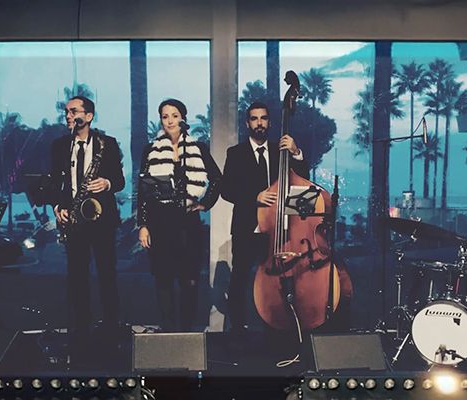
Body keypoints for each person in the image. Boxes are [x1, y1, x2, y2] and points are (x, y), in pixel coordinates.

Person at [220, 102, 309, 338]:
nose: (259, 123)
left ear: (269, 122)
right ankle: (238, 329)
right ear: (247, 123)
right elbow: (226, 190)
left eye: (263, 118)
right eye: (254, 118)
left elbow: (302, 179)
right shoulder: (235, 153)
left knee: (277, 280)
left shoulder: (281, 151)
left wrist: (296, 152)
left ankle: (276, 328)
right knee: (240, 278)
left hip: (277, 228)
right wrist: (254, 197)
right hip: (247, 227)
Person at [50, 96, 125, 361]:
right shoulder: (60, 146)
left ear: (89, 116)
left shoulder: (108, 144)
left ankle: (111, 329)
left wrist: (107, 183)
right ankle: (81, 331)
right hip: (74, 220)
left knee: (107, 275)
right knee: (77, 278)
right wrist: (58, 207)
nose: (68, 115)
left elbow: (120, 180)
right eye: (66, 112)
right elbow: (55, 183)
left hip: (101, 219)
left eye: (74, 111)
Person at [137, 98, 221, 332]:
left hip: (187, 223)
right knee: (163, 278)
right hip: (160, 222)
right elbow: (143, 190)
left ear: (183, 118)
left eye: (174, 115)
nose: (170, 121)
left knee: (189, 280)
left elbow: (217, 179)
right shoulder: (150, 150)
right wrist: (143, 225)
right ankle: (168, 331)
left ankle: (186, 331)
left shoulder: (198, 148)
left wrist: (204, 204)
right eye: (165, 116)